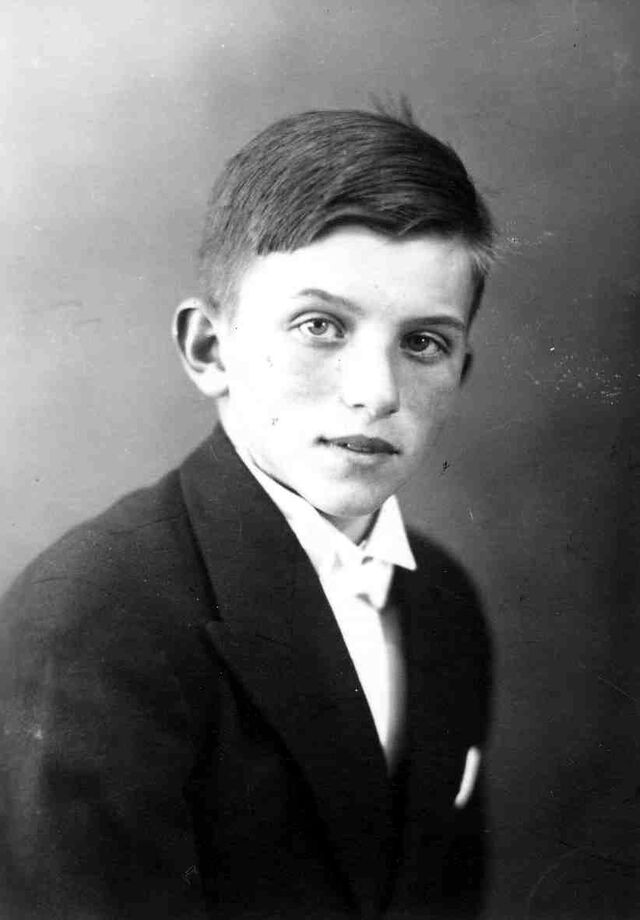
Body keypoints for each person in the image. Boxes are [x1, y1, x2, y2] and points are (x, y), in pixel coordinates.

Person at [0, 106, 495, 919]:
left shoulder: (444, 604)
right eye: (320, 326)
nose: (376, 392)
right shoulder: (97, 615)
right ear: (209, 349)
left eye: (424, 343)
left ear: (462, 371)